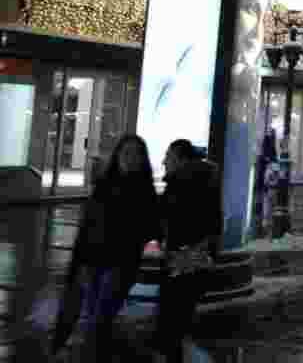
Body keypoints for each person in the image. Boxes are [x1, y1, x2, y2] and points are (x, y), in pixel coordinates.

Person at [52, 135, 161, 361]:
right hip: (93, 262)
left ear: (143, 160)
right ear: (118, 156)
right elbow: (87, 227)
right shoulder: (104, 185)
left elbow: (152, 228)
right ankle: (93, 354)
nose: (130, 158)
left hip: (120, 265)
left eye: (136, 154)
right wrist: (80, 262)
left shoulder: (145, 192)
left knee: (100, 317)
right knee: (93, 315)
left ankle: (93, 355)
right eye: (126, 153)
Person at [157, 139, 221, 363]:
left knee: (173, 313)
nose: (164, 161)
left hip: (184, 255)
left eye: (168, 156)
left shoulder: (183, 182)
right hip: (196, 254)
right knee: (182, 311)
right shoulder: (204, 180)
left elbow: (171, 218)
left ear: (181, 159)